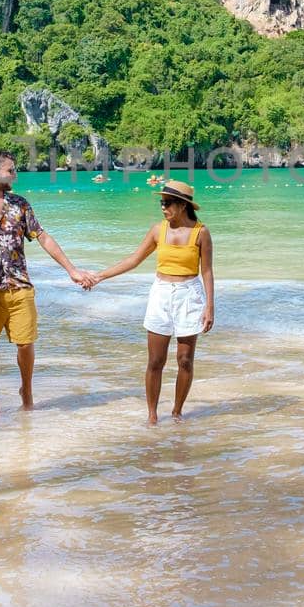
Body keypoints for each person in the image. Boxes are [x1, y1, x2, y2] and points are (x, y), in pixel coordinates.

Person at [0, 149, 90, 415]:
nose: (15, 174)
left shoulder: (20, 205)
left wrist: (71, 269)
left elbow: (43, 237)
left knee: (26, 343)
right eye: (11, 170)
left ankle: (27, 392)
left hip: (19, 285)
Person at [83, 180, 214, 424]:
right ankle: (152, 416)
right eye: (161, 203)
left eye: (167, 203)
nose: (163, 207)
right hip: (161, 294)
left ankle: (176, 412)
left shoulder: (201, 233)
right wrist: (100, 276)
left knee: (185, 360)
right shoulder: (157, 230)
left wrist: (209, 306)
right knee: (156, 360)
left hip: (189, 295)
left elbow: (206, 271)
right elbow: (134, 259)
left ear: (183, 205)